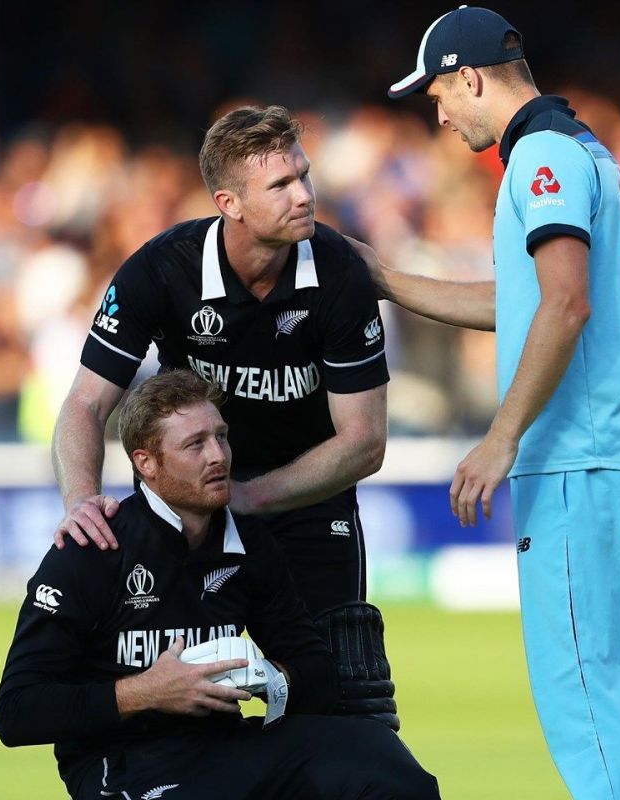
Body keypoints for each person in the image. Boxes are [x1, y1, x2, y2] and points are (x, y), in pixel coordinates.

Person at [351, 6, 620, 800]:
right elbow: (528, 301)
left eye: (437, 95)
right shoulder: (589, 153)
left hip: (573, 460)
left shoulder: (538, 160)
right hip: (617, 456)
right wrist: (387, 279)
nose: (439, 113)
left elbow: (563, 307)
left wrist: (501, 437)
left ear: (471, 76)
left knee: (589, 716)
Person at [51, 105, 397, 727]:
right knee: (167, 704)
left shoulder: (342, 271)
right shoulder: (160, 269)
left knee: (341, 710)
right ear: (228, 203)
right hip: (186, 512)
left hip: (307, 503)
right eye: (281, 185)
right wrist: (81, 501)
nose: (304, 196)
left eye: (304, 175)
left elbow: (364, 443)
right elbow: (84, 404)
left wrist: (249, 497)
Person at [0, 371, 439, 800]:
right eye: (195, 444)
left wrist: (270, 679)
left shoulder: (248, 540)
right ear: (146, 463)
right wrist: (146, 692)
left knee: (386, 766)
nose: (219, 457)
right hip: (123, 762)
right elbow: (16, 712)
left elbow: (313, 667)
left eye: (221, 436)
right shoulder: (93, 547)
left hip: (225, 745)